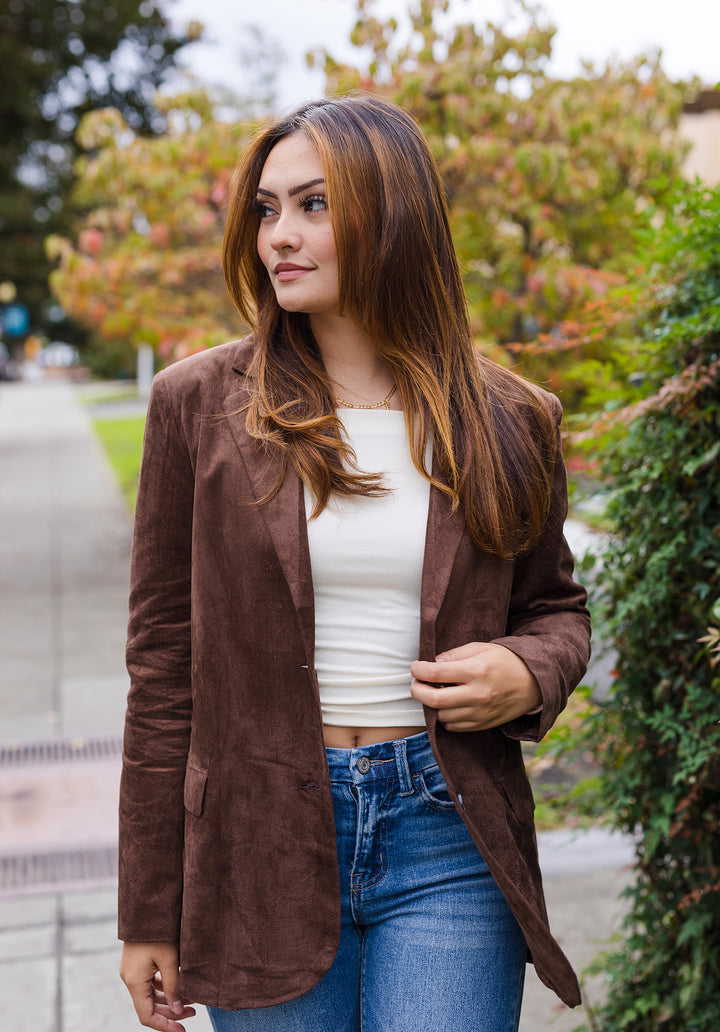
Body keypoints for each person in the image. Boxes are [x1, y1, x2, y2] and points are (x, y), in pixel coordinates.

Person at [118, 95, 591, 1032]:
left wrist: (525, 671)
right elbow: (163, 670)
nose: (279, 236)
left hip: (445, 829)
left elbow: (558, 611)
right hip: (257, 842)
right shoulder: (197, 406)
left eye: (313, 206)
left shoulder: (510, 417)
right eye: (266, 209)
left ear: (393, 213)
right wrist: (147, 910)